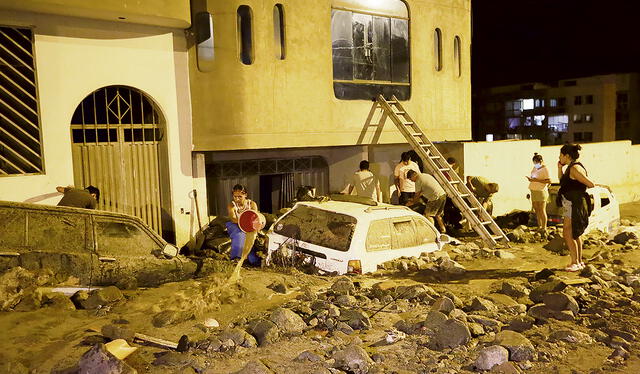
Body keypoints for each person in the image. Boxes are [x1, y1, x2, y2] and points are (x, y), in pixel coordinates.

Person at [556, 144, 609, 272]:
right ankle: (579, 262)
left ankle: (575, 262)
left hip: (574, 203)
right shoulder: (572, 167)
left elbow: (590, 184)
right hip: (572, 203)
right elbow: (562, 181)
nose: (559, 157)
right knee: (575, 233)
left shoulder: (575, 169)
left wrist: (598, 184)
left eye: (561, 155)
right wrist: (559, 168)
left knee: (568, 233)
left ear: (567, 156)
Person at [226, 184, 261, 265]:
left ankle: (252, 259)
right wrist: (244, 224)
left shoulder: (252, 204)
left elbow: (255, 217)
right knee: (240, 234)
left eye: (240, 196)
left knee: (250, 238)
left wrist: (253, 227)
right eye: (235, 196)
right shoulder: (231, 205)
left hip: (249, 226)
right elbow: (233, 219)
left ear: (245, 195)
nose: (237, 199)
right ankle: (235, 258)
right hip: (235, 225)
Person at [526, 152, 551, 231]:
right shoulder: (535, 168)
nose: (535, 164)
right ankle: (539, 225)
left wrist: (536, 180)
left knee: (542, 209)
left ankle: (544, 227)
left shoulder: (545, 169)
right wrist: (531, 179)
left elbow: (549, 180)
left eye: (536, 162)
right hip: (534, 190)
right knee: (536, 209)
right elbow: (534, 177)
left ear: (540, 161)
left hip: (541, 191)